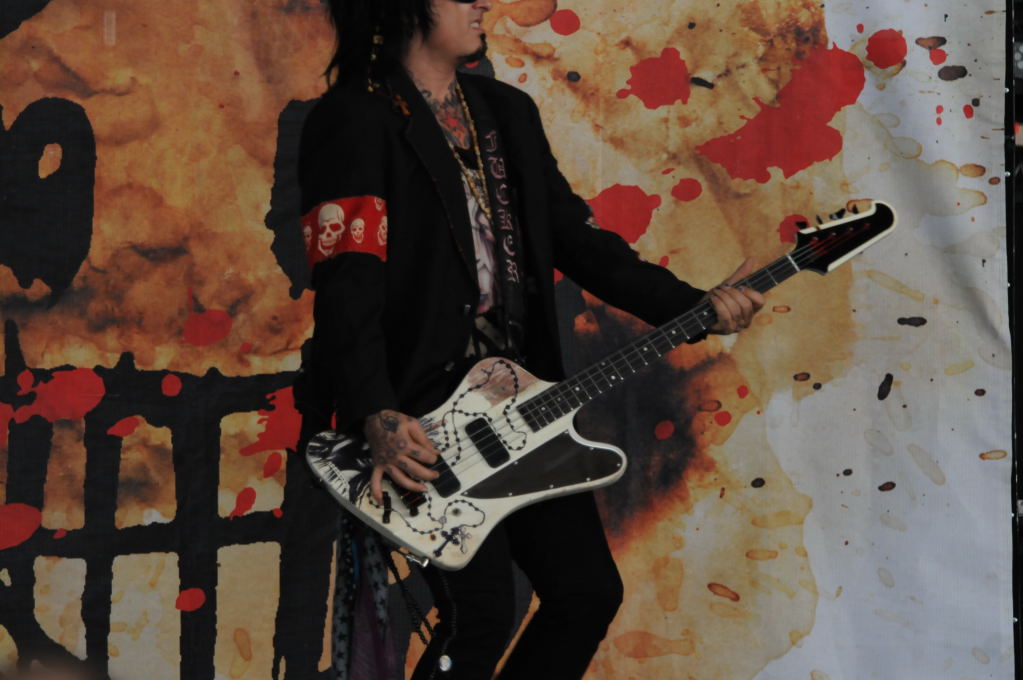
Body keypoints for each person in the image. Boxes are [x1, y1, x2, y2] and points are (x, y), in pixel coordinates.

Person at [296, 1, 765, 678]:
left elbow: (577, 241)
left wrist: (697, 307)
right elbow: (347, 277)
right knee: (480, 617)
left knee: (585, 593)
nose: (482, 2)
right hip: (419, 412)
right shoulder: (353, 117)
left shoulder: (504, 113)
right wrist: (377, 410)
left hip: (519, 403)